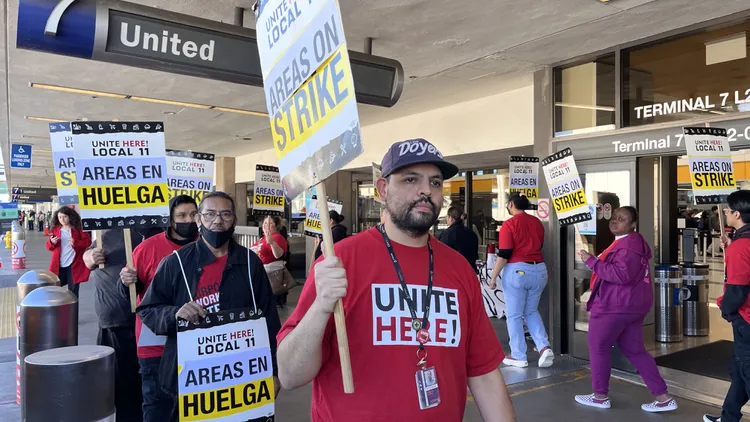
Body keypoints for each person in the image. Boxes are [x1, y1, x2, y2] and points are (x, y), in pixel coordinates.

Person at [276, 139, 516, 421]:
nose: (426, 190)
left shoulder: (458, 270)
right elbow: (291, 375)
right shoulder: (339, 261)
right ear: (382, 189)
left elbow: (484, 373)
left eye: (435, 183)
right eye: (411, 179)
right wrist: (320, 307)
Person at [137, 192, 281, 421]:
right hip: (190, 380)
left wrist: (274, 371)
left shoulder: (250, 262)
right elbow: (148, 309)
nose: (218, 220)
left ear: (233, 219)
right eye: (210, 214)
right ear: (198, 220)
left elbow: (270, 320)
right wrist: (174, 313)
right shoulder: (176, 263)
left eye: (225, 214)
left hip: (242, 376)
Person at [575, 206, 677, 413]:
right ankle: (663, 397)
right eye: (613, 217)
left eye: (621, 219)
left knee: (598, 347)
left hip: (614, 305)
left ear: (632, 224)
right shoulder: (629, 243)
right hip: (630, 305)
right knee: (634, 350)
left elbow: (621, 275)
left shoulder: (628, 246)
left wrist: (591, 261)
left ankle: (599, 395)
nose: (614, 221)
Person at [119, 195, 198, 422]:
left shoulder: (209, 247)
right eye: (181, 215)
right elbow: (131, 295)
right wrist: (126, 281)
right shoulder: (146, 249)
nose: (188, 220)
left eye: (193, 215)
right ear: (170, 219)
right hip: (155, 347)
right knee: (158, 410)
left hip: (197, 345)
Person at [84, 226, 163, 422]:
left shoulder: (159, 231)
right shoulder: (110, 233)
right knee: (122, 385)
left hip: (153, 321)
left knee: (154, 381)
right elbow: (87, 259)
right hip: (116, 322)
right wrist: (92, 257)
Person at [489, 192, 553, 369]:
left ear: (510, 204)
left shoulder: (509, 224)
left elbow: (505, 253)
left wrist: (493, 276)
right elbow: (539, 246)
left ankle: (518, 355)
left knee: (514, 315)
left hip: (518, 271)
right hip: (539, 270)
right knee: (531, 311)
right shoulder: (537, 223)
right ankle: (544, 347)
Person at [704, 191, 750, 422]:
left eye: (728, 210)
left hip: (747, 318)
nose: (725, 213)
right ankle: (729, 417)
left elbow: (737, 289)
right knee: (740, 371)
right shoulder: (741, 243)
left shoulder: (741, 247)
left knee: (747, 370)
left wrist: (727, 311)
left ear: (737, 214)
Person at [45, 206, 91, 297]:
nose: (62, 219)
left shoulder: (78, 229)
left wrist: (76, 242)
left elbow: (87, 242)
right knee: (54, 287)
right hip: (58, 264)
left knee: (73, 291)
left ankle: (73, 310)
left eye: (65, 217)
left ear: (70, 217)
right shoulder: (56, 230)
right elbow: (48, 247)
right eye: (60, 217)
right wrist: (52, 242)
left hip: (74, 264)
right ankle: (58, 308)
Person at [251, 215, 290, 307]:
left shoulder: (277, 237)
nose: (266, 225)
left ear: (276, 226)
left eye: (270, 223)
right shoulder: (262, 239)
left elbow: (279, 255)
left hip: (271, 272)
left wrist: (272, 243)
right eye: (265, 223)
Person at [438, 206, 479, 273]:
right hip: (471, 271)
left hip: (454, 272)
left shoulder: (447, 234)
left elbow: (440, 254)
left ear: (450, 218)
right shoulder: (471, 233)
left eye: (447, 217)